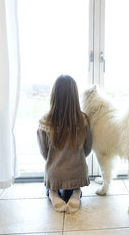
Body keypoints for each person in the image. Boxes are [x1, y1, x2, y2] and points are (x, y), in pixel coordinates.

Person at [37, 75, 92, 213]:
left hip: (55, 174)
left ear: (53, 95)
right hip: (77, 172)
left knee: (52, 184)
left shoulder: (44, 121)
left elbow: (44, 151)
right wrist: (76, 158)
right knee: (73, 185)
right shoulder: (83, 119)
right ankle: (75, 192)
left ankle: (53, 193)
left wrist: (54, 161)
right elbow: (88, 148)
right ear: (75, 95)